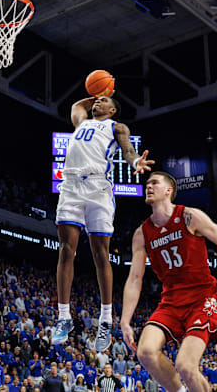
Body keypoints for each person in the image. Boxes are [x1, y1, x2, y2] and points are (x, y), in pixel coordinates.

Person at [120, 172, 217, 392]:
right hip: (171, 301)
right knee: (145, 351)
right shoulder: (142, 234)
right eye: (147, 183)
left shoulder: (189, 216)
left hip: (202, 298)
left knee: (185, 365)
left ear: (168, 191)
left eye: (154, 183)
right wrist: (125, 320)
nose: (148, 186)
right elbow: (135, 279)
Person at [54, 93, 154, 351]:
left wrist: (135, 161)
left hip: (98, 188)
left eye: (104, 101)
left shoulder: (117, 126)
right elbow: (76, 106)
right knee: (66, 250)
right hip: (71, 185)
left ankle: (106, 319)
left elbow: (128, 151)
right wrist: (95, 94)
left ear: (113, 110)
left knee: (101, 254)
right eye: (97, 101)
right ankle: (63, 317)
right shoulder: (81, 122)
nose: (98, 103)